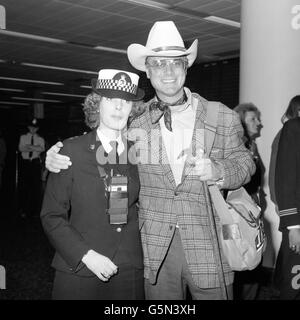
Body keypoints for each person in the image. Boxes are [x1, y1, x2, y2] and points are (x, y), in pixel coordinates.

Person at [45, 21, 255, 300]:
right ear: (147, 70)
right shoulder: (136, 121)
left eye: (175, 64)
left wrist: (218, 170)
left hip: (210, 249)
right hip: (154, 253)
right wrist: (56, 154)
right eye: (158, 64)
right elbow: (101, 136)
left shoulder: (221, 116)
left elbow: (246, 164)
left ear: (185, 67)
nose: (168, 72)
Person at [41, 69, 145, 300]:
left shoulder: (140, 153)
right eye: (111, 100)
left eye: (126, 101)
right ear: (97, 105)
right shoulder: (71, 151)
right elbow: (51, 216)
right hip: (81, 267)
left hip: (128, 268)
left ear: (132, 108)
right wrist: (86, 255)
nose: (119, 107)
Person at [233, 103, 265, 300]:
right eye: (253, 119)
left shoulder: (252, 146)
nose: (259, 123)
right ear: (240, 122)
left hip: (253, 215)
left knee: (254, 262)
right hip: (238, 216)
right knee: (240, 262)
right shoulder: (235, 147)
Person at [274, 101, 300, 300]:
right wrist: (293, 226)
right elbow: (286, 178)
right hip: (299, 223)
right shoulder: (294, 128)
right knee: (294, 286)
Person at [18, 118, 45, 218]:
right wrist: (35, 147)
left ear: (37, 129)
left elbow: (42, 149)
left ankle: (34, 211)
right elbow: (21, 148)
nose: (33, 129)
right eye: (31, 127)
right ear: (28, 127)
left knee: (35, 188)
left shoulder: (40, 138)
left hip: (35, 164)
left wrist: (29, 146)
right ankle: (23, 209)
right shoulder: (23, 137)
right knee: (24, 187)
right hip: (25, 164)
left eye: (35, 128)